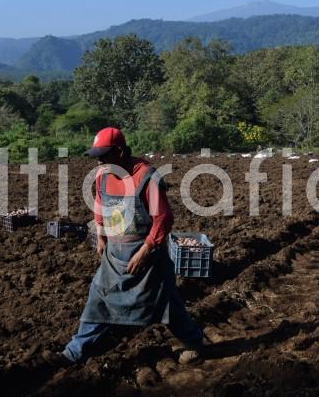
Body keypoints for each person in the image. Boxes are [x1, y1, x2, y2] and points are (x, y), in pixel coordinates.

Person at [43, 127, 203, 367]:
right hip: (115, 254)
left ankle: (194, 342)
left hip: (147, 256)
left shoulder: (146, 176)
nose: (99, 161)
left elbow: (163, 219)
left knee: (168, 304)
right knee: (98, 298)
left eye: (103, 155)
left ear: (119, 151)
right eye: (96, 156)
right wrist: (100, 234)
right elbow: (100, 203)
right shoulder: (103, 175)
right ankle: (74, 353)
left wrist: (144, 250)